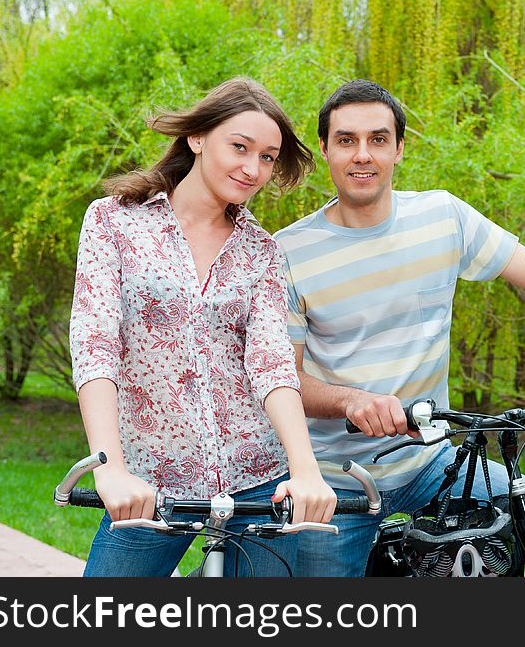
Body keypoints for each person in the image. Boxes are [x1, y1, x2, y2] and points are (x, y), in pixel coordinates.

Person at [274, 79, 525, 577]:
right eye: (347, 140)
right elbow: (285, 380)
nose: (363, 155)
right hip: (336, 477)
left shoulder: (442, 217)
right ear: (324, 149)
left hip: (434, 464)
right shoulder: (289, 252)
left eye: (378, 139)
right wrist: (350, 401)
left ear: (400, 148)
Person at [69, 77, 337, 577]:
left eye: (268, 157)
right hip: (150, 481)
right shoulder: (114, 222)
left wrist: (304, 468)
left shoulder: (261, 251)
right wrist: (111, 470)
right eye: (240, 147)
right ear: (197, 138)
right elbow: (95, 343)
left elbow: (271, 362)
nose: (253, 168)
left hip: (257, 477)